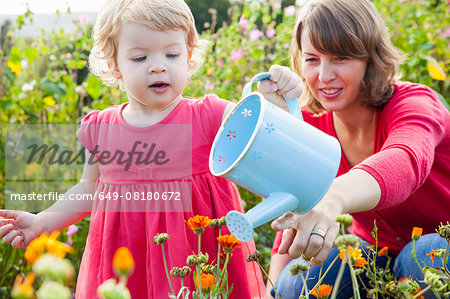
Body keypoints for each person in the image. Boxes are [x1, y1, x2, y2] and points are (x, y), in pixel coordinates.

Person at [0, 0, 300, 297]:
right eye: (140, 58)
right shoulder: (102, 129)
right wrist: (42, 222)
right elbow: (89, 190)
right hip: (125, 267)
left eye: (171, 54)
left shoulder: (211, 116)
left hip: (202, 265)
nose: (158, 66)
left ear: (189, 56)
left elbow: (264, 127)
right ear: (113, 66)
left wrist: (276, 100)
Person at [257, 0, 450, 298]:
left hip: (438, 245)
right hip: (375, 254)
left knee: (423, 254)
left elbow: (406, 159)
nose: (324, 75)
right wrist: (273, 291)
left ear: (370, 60)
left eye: (341, 58)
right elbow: (296, 211)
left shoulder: (414, 104)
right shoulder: (307, 123)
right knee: (302, 280)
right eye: (312, 59)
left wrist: (333, 199)